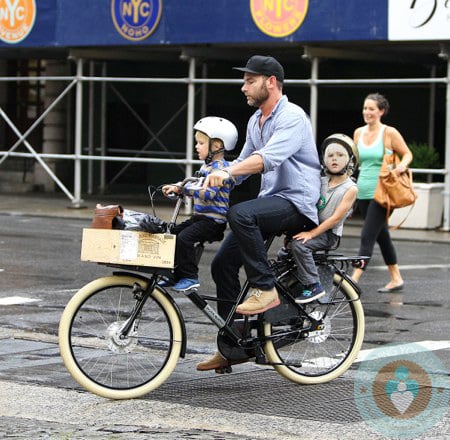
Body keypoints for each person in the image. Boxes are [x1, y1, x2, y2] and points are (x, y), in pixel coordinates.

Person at [196, 55, 321, 371]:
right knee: (223, 264)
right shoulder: (256, 121)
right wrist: (204, 178)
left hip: (297, 202)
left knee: (241, 214)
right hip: (271, 202)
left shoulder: (292, 117)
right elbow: (244, 166)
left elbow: (268, 159)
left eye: (250, 81)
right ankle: (233, 344)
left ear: (271, 82)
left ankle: (265, 289)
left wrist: (229, 173)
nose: (243, 87)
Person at [161, 116, 238, 292]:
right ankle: (173, 274)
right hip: (200, 218)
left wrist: (184, 189)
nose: (196, 146)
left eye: (201, 143)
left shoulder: (220, 169)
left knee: (184, 239)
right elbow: (193, 184)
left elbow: (208, 193)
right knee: (171, 234)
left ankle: (189, 276)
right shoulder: (205, 168)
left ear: (216, 146)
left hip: (213, 222)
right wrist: (178, 186)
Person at [351, 93, 413, 292]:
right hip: (363, 191)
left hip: (382, 193)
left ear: (381, 112)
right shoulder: (358, 133)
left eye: (371, 109)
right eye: (365, 108)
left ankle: (352, 281)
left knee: (367, 236)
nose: (366, 112)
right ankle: (396, 278)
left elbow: (407, 154)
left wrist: (401, 166)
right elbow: (355, 162)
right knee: (382, 236)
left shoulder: (389, 133)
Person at [289, 134, 358, 303]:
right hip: (313, 228)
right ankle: (290, 295)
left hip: (328, 234)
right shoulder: (320, 181)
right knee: (285, 255)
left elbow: (335, 219)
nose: (334, 159)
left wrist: (311, 234)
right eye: (330, 155)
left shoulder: (350, 188)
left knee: (300, 245)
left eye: (340, 155)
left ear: (350, 160)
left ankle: (313, 285)